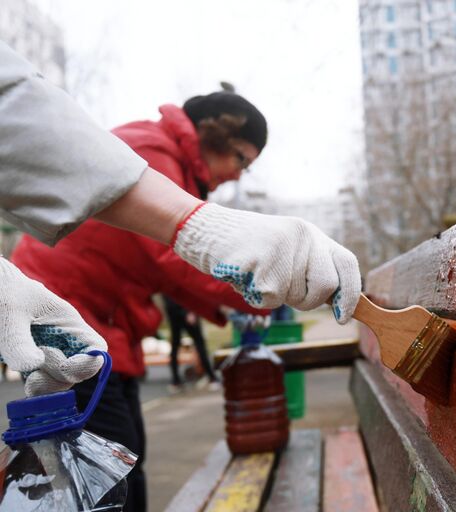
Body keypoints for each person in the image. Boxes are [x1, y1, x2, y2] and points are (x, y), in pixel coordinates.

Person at [1, 42, 361, 512]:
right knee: (105, 465)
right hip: (67, 314)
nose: (236, 176)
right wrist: (257, 291)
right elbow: (172, 261)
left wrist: (240, 289)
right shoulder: (154, 150)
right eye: (241, 159)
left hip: (106, 321)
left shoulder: (173, 166)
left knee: (123, 453)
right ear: (216, 134)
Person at [162, 295, 218, 392]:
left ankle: (211, 377)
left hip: (182, 311)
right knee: (178, 346)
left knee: (199, 345)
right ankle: (176, 380)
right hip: (177, 313)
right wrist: (188, 312)